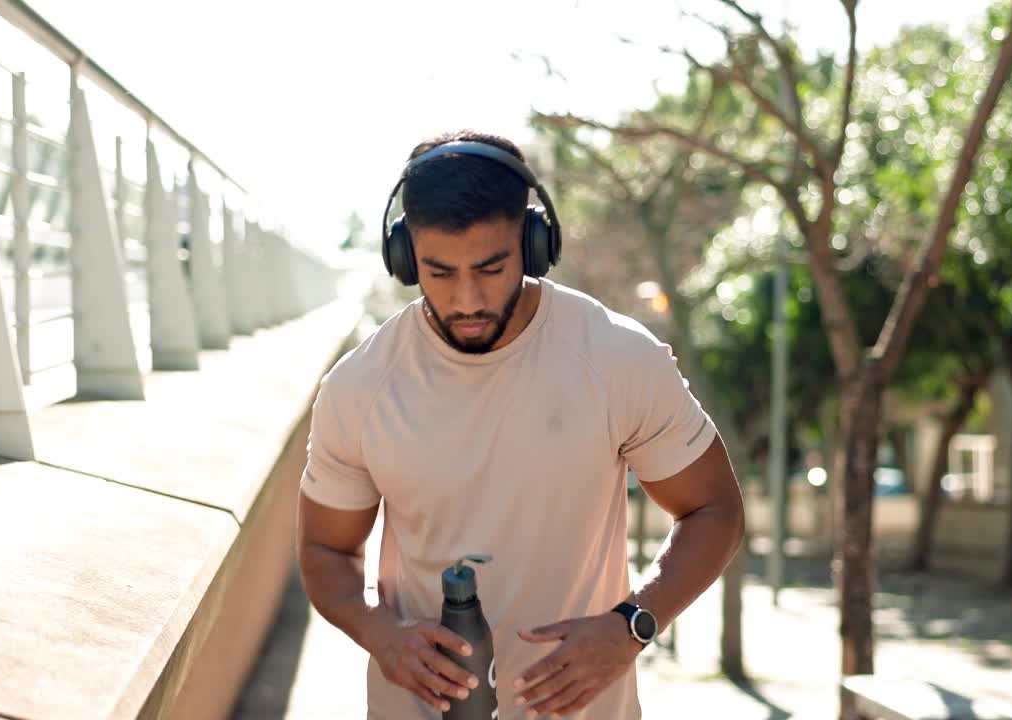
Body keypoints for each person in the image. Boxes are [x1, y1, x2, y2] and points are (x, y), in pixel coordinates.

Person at [297, 129, 745, 719]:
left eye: (491, 267)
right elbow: (325, 549)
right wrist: (378, 632)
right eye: (438, 271)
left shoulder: (615, 358)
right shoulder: (359, 387)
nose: (466, 299)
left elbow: (714, 510)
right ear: (405, 258)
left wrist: (631, 625)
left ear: (533, 242)